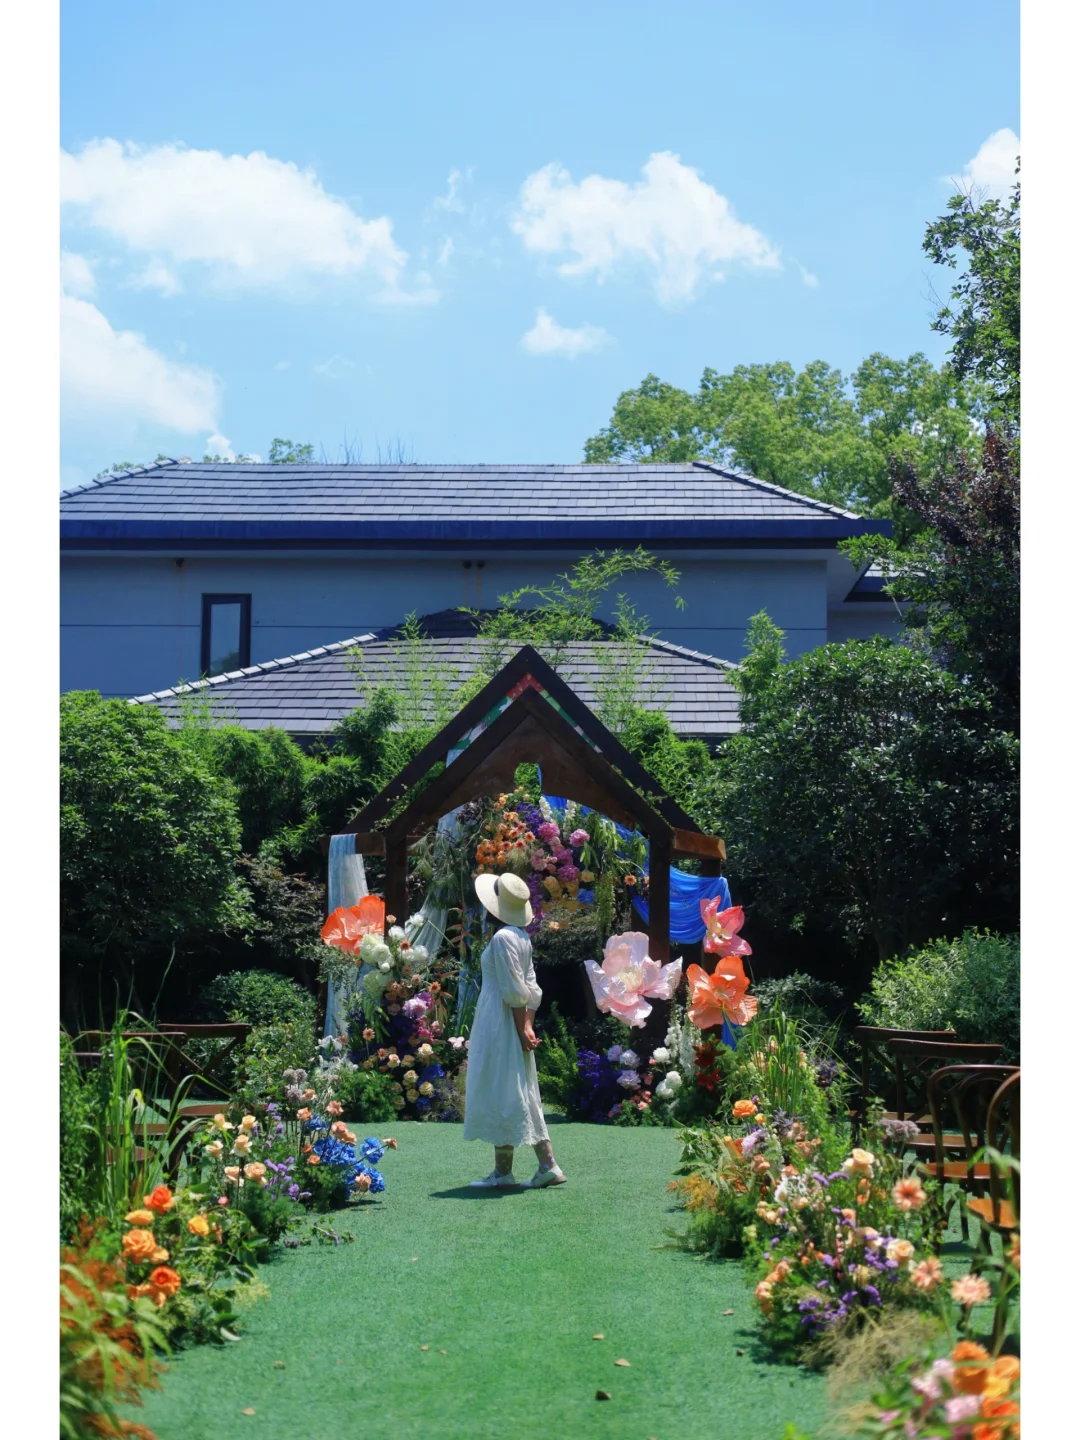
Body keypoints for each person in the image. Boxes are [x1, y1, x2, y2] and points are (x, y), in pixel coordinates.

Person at [463, 870, 566, 1189]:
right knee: (513, 1087)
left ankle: (537, 1166)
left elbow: (514, 990)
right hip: (511, 1019)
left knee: (506, 1086)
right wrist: (528, 1024)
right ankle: (516, 1169)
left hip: (501, 1020)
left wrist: (522, 1028)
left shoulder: (503, 938)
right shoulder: (521, 937)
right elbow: (531, 987)